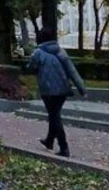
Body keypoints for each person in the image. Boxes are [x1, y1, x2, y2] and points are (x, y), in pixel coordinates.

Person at [27, 27, 87, 158]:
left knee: (54, 117)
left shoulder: (38, 52)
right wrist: (82, 89)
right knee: (54, 114)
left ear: (40, 38)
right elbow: (72, 71)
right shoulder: (61, 51)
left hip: (48, 91)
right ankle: (49, 141)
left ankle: (64, 148)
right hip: (63, 90)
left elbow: (30, 67)